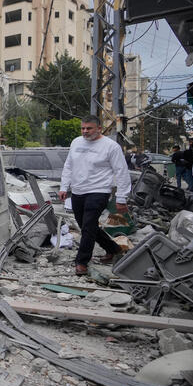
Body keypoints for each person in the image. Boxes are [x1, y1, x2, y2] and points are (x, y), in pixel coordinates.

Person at [59, 115, 132, 276]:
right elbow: (69, 165)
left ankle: (81, 262)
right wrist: (64, 186)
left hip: (99, 191)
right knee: (87, 226)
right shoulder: (76, 142)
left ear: (99, 128)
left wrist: (121, 197)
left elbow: (121, 172)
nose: (85, 131)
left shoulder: (111, 147)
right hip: (78, 191)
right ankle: (113, 249)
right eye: (83, 128)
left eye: (89, 128)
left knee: (88, 226)